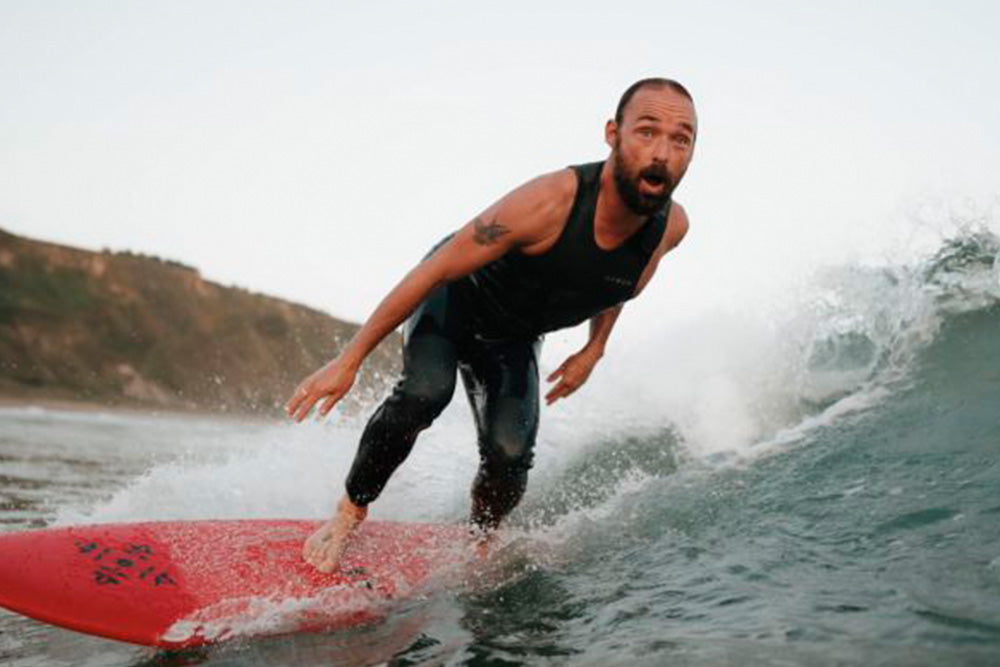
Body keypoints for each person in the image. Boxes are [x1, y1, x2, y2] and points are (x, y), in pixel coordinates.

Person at [285, 77, 696, 573]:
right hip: (456, 297)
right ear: (613, 133)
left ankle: (481, 542)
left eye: (681, 139)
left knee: (509, 454)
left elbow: (617, 285)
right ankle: (349, 511)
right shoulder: (549, 203)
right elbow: (434, 270)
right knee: (424, 393)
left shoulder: (668, 228)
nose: (662, 153)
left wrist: (595, 349)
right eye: (647, 132)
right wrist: (350, 359)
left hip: (513, 336)